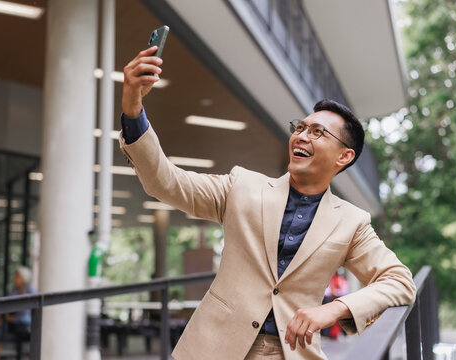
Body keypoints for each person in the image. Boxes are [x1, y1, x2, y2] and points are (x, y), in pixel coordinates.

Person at [119, 46, 416, 360]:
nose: (301, 136)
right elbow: (165, 182)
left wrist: (333, 310)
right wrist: (133, 107)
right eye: (299, 128)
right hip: (213, 348)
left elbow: (399, 281)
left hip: (289, 352)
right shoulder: (242, 186)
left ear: (344, 156)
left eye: (317, 132)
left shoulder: (352, 222)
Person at [0, 267, 36, 360]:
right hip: (15, 321)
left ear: (23, 277)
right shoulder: (15, 290)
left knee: (3, 322)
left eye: (17, 276)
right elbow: (7, 304)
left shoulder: (31, 290)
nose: (15, 278)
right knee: (0, 324)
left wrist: (10, 318)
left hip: (27, 322)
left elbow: (28, 316)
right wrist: (5, 317)